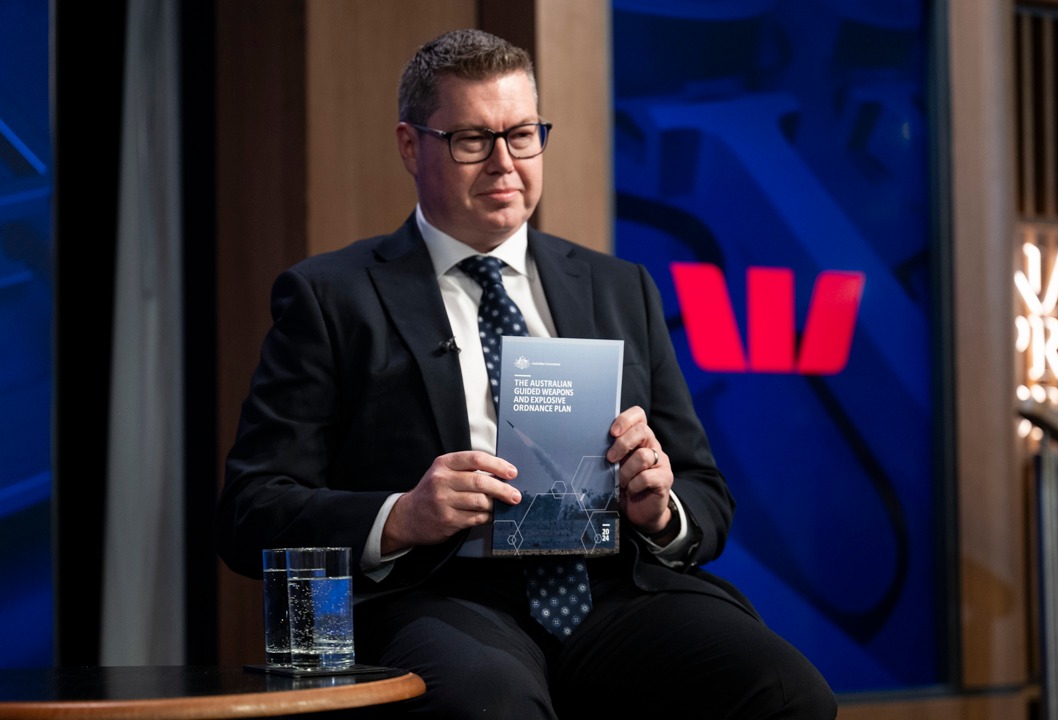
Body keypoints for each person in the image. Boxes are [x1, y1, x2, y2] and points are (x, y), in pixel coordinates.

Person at [216, 28, 836, 719]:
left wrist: (659, 508)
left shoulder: (619, 286)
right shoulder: (332, 297)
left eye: (522, 134)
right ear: (410, 145)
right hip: (440, 593)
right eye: (472, 140)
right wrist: (403, 516)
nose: (505, 164)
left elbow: (706, 496)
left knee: (786, 692)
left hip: (614, 590)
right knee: (491, 704)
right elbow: (251, 510)